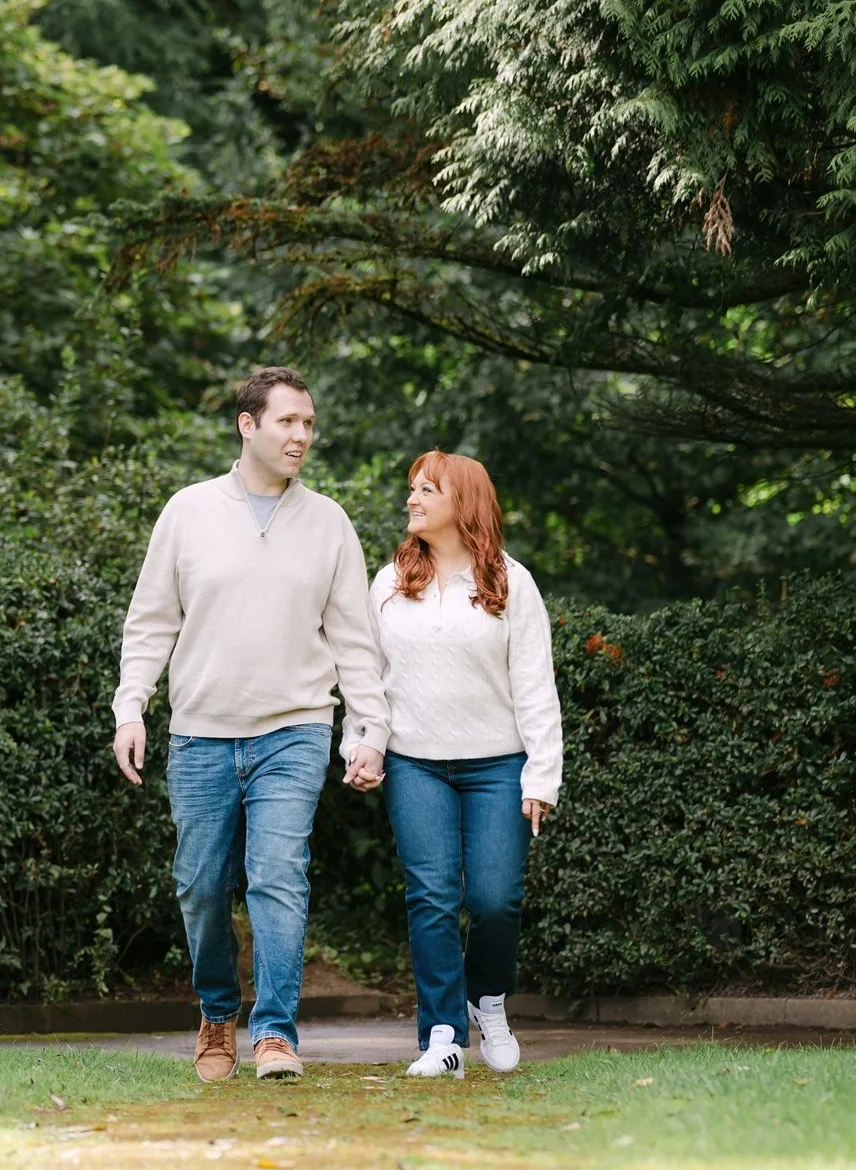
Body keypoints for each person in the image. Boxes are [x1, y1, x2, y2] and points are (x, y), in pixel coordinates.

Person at [114, 367, 390, 1082]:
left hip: (295, 730)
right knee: (201, 886)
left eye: (309, 424)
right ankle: (216, 1013)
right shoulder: (188, 511)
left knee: (277, 877)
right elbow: (151, 621)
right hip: (200, 733)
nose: (301, 436)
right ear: (248, 424)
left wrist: (369, 730)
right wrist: (130, 706)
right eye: (287, 421)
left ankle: (274, 1033)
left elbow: (355, 640)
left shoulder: (328, 523)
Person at [369, 451, 563, 1079]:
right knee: (430, 897)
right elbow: (369, 679)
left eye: (428, 489)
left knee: (494, 898)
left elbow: (535, 684)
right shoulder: (389, 582)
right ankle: (443, 1036)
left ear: (464, 502)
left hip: (498, 765)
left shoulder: (510, 582)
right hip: (414, 763)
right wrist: (362, 744)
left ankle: (490, 1002)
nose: (412, 499)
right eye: (412, 488)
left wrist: (542, 774)